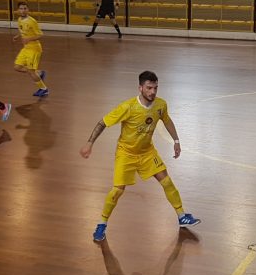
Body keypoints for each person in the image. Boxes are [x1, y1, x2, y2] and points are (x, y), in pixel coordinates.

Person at [79, 71, 201, 242]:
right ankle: (101, 224)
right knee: (117, 191)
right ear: (140, 88)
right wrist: (89, 143)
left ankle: (182, 216)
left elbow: (166, 120)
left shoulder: (160, 105)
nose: (153, 92)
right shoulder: (128, 107)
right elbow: (102, 123)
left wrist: (176, 140)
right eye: (149, 88)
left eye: (155, 88)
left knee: (166, 181)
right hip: (126, 154)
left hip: (147, 152)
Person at [13, 1, 49, 97]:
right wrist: (17, 36)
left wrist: (28, 39)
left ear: (28, 10)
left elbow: (40, 34)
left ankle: (44, 89)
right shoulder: (20, 19)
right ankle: (39, 73)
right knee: (17, 67)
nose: (23, 10)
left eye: (25, 8)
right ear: (18, 10)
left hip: (34, 49)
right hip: (26, 48)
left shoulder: (32, 21)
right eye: (21, 8)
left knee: (30, 71)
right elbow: (23, 30)